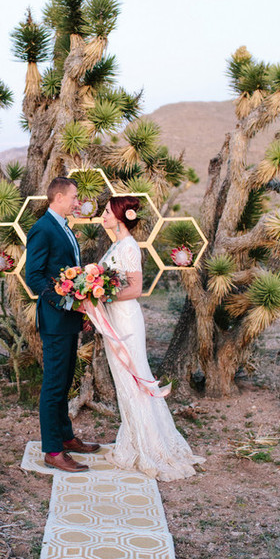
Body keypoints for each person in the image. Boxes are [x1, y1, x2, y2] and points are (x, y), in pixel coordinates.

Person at [98, 195, 204, 480]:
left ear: (122, 217)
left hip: (126, 320)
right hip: (114, 318)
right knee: (124, 381)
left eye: (107, 212)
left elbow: (136, 289)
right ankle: (133, 440)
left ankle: (151, 447)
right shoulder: (115, 245)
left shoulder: (129, 247)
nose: (103, 216)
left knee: (135, 378)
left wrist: (101, 293)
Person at [25, 177, 101, 473]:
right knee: (54, 386)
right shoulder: (42, 229)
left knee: (66, 381)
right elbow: (34, 277)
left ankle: (66, 437)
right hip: (56, 320)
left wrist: (80, 312)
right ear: (58, 197)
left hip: (69, 319)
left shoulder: (65, 227)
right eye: (74, 197)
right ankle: (53, 451)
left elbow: (72, 276)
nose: (77, 202)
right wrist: (66, 304)